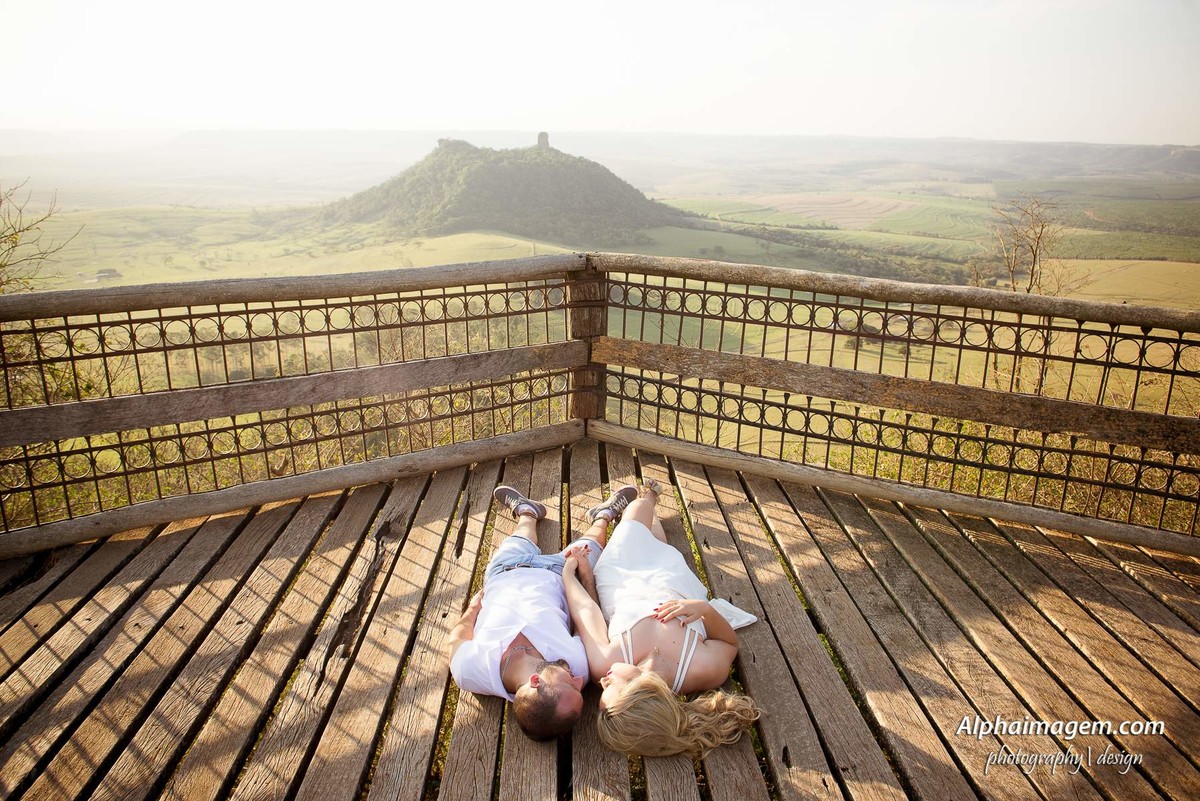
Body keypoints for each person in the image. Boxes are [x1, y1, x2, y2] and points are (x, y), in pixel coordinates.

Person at [562, 479, 760, 757]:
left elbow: (587, 612)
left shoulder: (605, 663)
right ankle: (651, 494)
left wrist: (570, 575)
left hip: (619, 577)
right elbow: (728, 644)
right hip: (671, 581)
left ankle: (645, 500)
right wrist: (704, 611)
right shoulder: (702, 670)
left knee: (632, 523)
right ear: (641, 688)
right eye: (611, 688)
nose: (602, 683)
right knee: (656, 542)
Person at [448, 483, 638, 740]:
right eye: (579, 687)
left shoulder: (471, 670)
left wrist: (472, 610)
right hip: (561, 573)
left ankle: (528, 512)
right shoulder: (577, 666)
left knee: (523, 531)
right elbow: (587, 617)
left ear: (535, 681)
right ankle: (603, 515)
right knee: (592, 543)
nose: (581, 682)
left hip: (505, 570)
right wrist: (583, 574)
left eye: (571, 684)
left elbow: (457, 639)